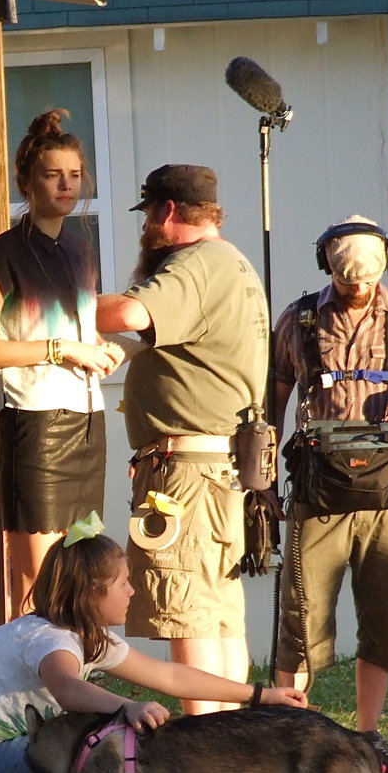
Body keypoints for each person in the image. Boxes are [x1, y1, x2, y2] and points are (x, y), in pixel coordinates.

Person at [0, 516, 308, 773]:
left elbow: (169, 677)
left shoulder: (86, 636)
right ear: (90, 594)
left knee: (103, 742)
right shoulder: (48, 639)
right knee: (102, 749)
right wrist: (128, 707)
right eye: (123, 584)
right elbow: (67, 688)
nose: (132, 592)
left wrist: (260, 696)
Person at [96, 164, 267, 715]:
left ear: (167, 212)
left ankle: (203, 762)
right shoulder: (234, 264)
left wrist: (57, 298)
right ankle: (232, 757)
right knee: (218, 618)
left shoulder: (195, 264)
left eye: (149, 212)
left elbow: (128, 311)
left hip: (185, 475)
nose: (147, 223)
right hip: (219, 469)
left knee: (187, 614)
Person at [272, 215, 388, 754]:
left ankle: (367, 735)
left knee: (385, 620)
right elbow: (270, 403)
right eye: (345, 281)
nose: (357, 290)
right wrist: (262, 481)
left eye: (365, 281)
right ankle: (292, 736)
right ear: (327, 267)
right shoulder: (299, 319)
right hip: (318, 496)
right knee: (301, 617)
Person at [0, 109, 123, 618]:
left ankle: (74, 682)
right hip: (36, 425)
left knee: (84, 569)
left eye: (75, 175)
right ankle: (29, 688)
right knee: (37, 577)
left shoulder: (81, 250)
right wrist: (64, 350)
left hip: (87, 422)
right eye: (52, 174)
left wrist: (101, 346)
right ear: (27, 180)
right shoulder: (2, 254)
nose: (66, 185)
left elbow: (76, 327)